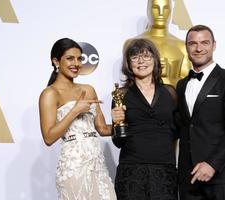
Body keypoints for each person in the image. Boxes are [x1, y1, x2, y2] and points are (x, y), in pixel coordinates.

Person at [39, 38, 117, 200]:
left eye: (79, 58)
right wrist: (75, 110)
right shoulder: (50, 94)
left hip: (97, 166)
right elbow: (48, 137)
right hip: (73, 168)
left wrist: (122, 124)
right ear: (56, 61)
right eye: (70, 58)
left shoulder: (88, 90)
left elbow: (102, 129)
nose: (76, 63)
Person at [176, 25, 225, 200]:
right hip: (188, 179)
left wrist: (212, 164)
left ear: (214, 45)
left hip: (222, 177)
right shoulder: (181, 85)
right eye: (192, 43)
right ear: (186, 47)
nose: (199, 48)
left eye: (204, 42)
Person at [111, 38, 178, 200]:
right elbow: (119, 142)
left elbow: (177, 131)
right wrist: (117, 124)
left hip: (164, 170)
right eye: (135, 57)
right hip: (131, 170)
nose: (141, 61)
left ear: (155, 60)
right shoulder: (121, 95)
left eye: (146, 56)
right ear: (128, 63)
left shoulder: (171, 93)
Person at [124, 0, 190, 87]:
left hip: (173, 99)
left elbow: (187, 84)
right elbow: (128, 79)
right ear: (148, 10)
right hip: (140, 98)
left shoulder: (182, 46)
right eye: (155, 8)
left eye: (166, 8)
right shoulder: (131, 43)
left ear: (171, 11)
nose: (161, 13)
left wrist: (169, 77)